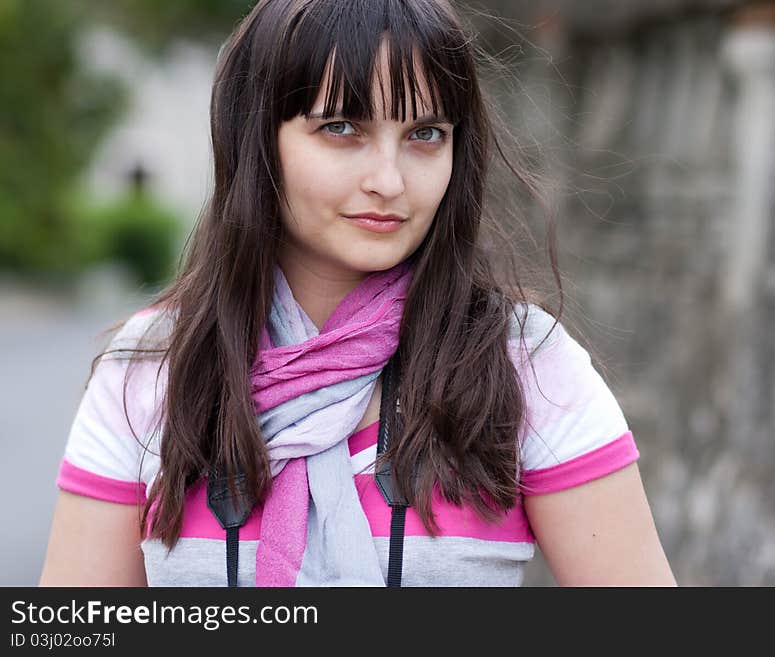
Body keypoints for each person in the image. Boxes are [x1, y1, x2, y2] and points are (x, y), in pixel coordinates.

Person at [39, 0, 676, 587]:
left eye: (426, 135)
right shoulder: (157, 365)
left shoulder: (521, 362)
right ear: (257, 138)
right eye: (342, 128)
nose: (389, 180)